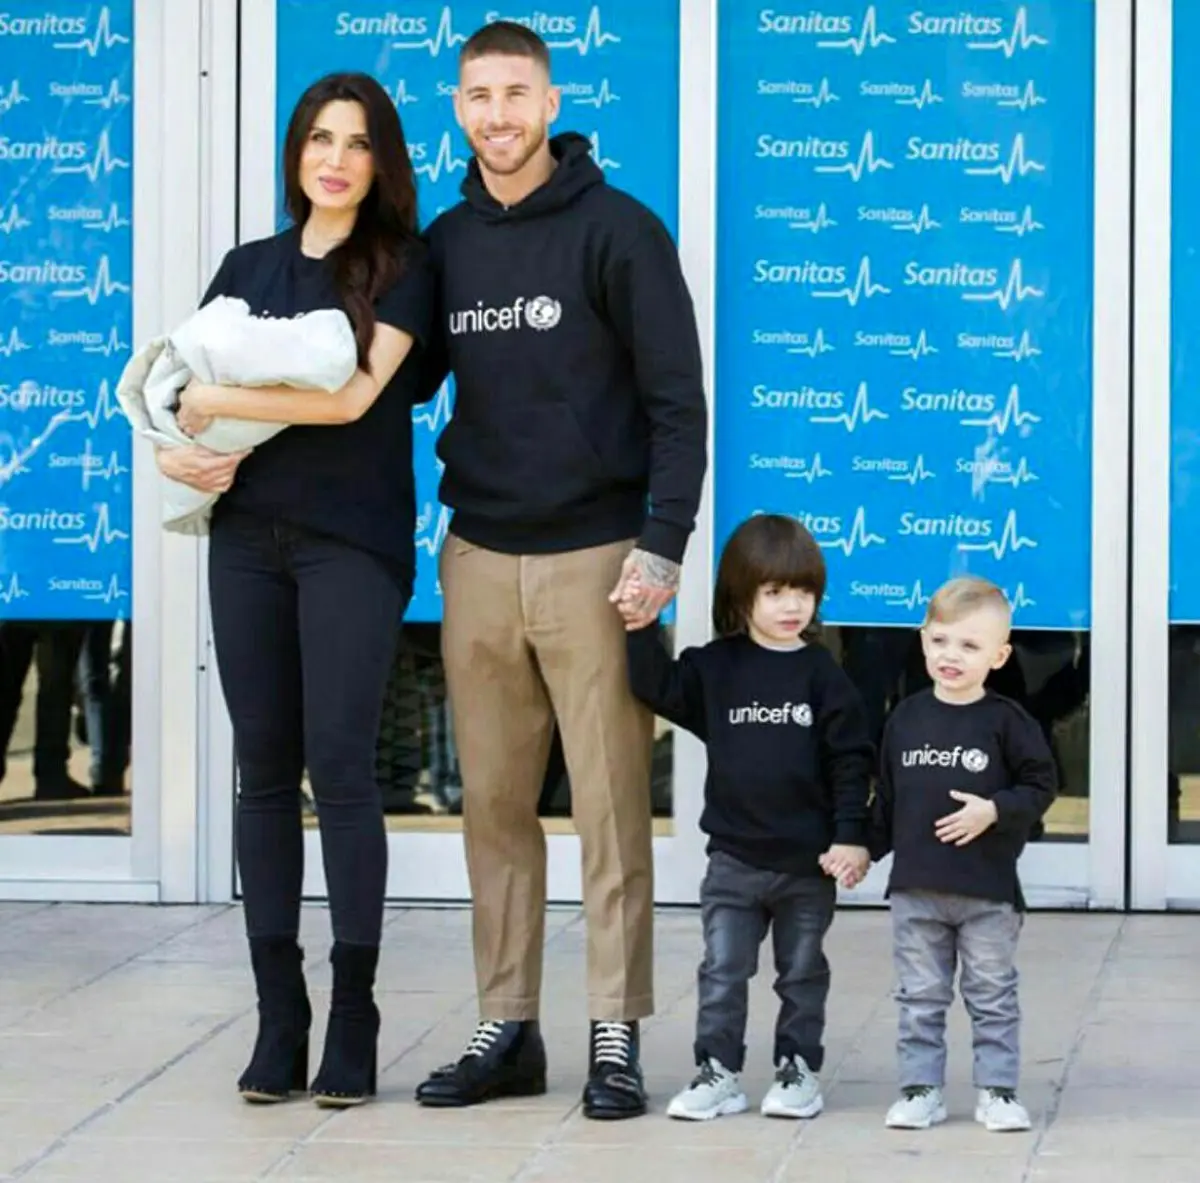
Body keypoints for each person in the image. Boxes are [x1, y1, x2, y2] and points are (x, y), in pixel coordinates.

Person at [412, 22, 707, 1119]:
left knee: (611, 805)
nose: (497, 114)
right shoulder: (444, 244)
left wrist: (662, 543)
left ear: (550, 102)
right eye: (478, 96)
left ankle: (614, 1030)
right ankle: (509, 1025)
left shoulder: (620, 231)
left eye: (515, 93)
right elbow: (392, 376)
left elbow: (677, 403)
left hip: (597, 560)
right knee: (491, 804)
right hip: (480, 556)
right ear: (458, 108)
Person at [158, 71, 433, 1107]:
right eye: (320, 138)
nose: (335, 159)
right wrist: (175, 446)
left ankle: (354, 1011)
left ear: (381, 160)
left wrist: (212, 393)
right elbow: (175, 404)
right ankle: (281, 1014)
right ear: (296, 152)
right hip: (245, 539)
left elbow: (353, 398)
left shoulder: (403, 266)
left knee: (341, 767)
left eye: (357, 142)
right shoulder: (247, 266)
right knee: (263, 771)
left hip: (351, 541)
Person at [619, 514, 872, 1121]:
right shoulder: (716, 668)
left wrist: (850, 838)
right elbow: (655, 686)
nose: (792, 606)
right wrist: (640, 625)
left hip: (807, 866)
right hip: (733, 862)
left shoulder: (823, 676)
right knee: (723, 972)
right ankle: (719, 1071)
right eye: (775, 592)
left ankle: (798, 1069)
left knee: (801, 974)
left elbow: (850, 762)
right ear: (741, 595)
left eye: (804, 592)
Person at [868, 577, 1057, 1133]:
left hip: (986, 892)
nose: (952, 656)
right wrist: (858, 850)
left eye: (970, 646)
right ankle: (920, 1089)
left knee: (992, 995)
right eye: (941, 641)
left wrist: (994, 810)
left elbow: (1041, 784)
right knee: (919, 997)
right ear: (923, 641)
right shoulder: (904, 719)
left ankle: (997, 1091)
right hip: (916, 890)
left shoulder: (1007, 722)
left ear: (999, 656)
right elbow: (888, 801)